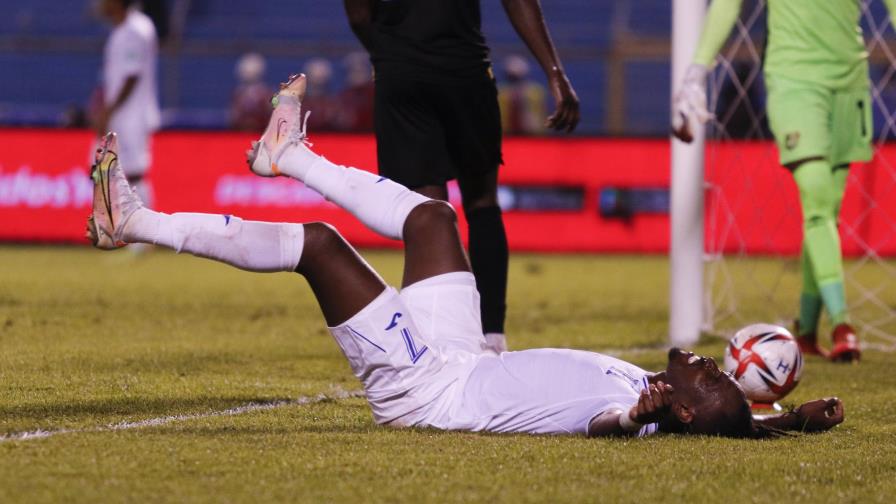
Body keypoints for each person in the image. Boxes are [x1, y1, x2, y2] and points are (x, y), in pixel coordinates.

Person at [86, 75, 844, 438]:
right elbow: (731, 425)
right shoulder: (676, 402)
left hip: (428, 389)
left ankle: (135, 219)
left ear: (676, 408)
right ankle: (287, 158)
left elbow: (608, 428)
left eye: (703, 378)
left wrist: (635, 417)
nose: (704, 363)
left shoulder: (633, 411)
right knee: (433, 219)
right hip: (463, 358)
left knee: (317, 246)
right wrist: (790, 421)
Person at [343, 0, 582, 352]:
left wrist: (394, 55)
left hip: (401, 75)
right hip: (465, 73)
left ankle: (440, 338)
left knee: (428, 215)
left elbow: (359, 15)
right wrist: (554, 72)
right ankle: (492, 336)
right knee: (482, 204)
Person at [671, 0, 896, 362]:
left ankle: (806, 330)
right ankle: (843, 325)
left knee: (825, 213)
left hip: (850, 82)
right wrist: (696, 72)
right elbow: (727, 5)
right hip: (793, 82)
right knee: (818, 202)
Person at [94, 0, 160, 215]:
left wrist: (109, 109)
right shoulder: (123, 30)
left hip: (133, 114)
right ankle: (124, 226)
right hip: (121, 113)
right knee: (111, 170)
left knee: (134, 173)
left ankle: (146, 235)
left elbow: (132, 75)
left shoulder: (135, 29)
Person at [498, 54, 547, 135]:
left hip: (532, 132)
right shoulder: (501, 91)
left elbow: (542, 112)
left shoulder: (535, 91)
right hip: (507, 132)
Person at [230, 53, 273, 133]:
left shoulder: (267, 93)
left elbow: (273, 109)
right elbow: (233, 117)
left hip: (260, 134)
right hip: (240, 134)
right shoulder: (238, 93)